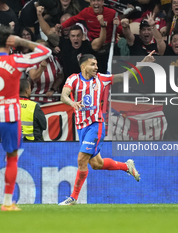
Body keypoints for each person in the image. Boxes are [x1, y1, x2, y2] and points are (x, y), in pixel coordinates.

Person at [0, 26, 51, 211]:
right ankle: (7, 202)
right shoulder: (16, 60)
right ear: (10, 42)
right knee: (12, 159)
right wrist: (22, 42)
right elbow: (46, 51)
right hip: (10, 117)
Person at [58, 52, 155, 205]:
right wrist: (72, 103)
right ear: (83, 67)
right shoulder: (73, 79)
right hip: (81, 127)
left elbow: (125, 76)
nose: (96, 67)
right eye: (92, 64)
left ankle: (73, 198)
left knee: (81, 159)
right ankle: (126, 167)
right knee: (96, 164)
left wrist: (142, 63)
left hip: (96, 125)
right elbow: (64, 96)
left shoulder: (102, 79)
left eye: (96, 64)